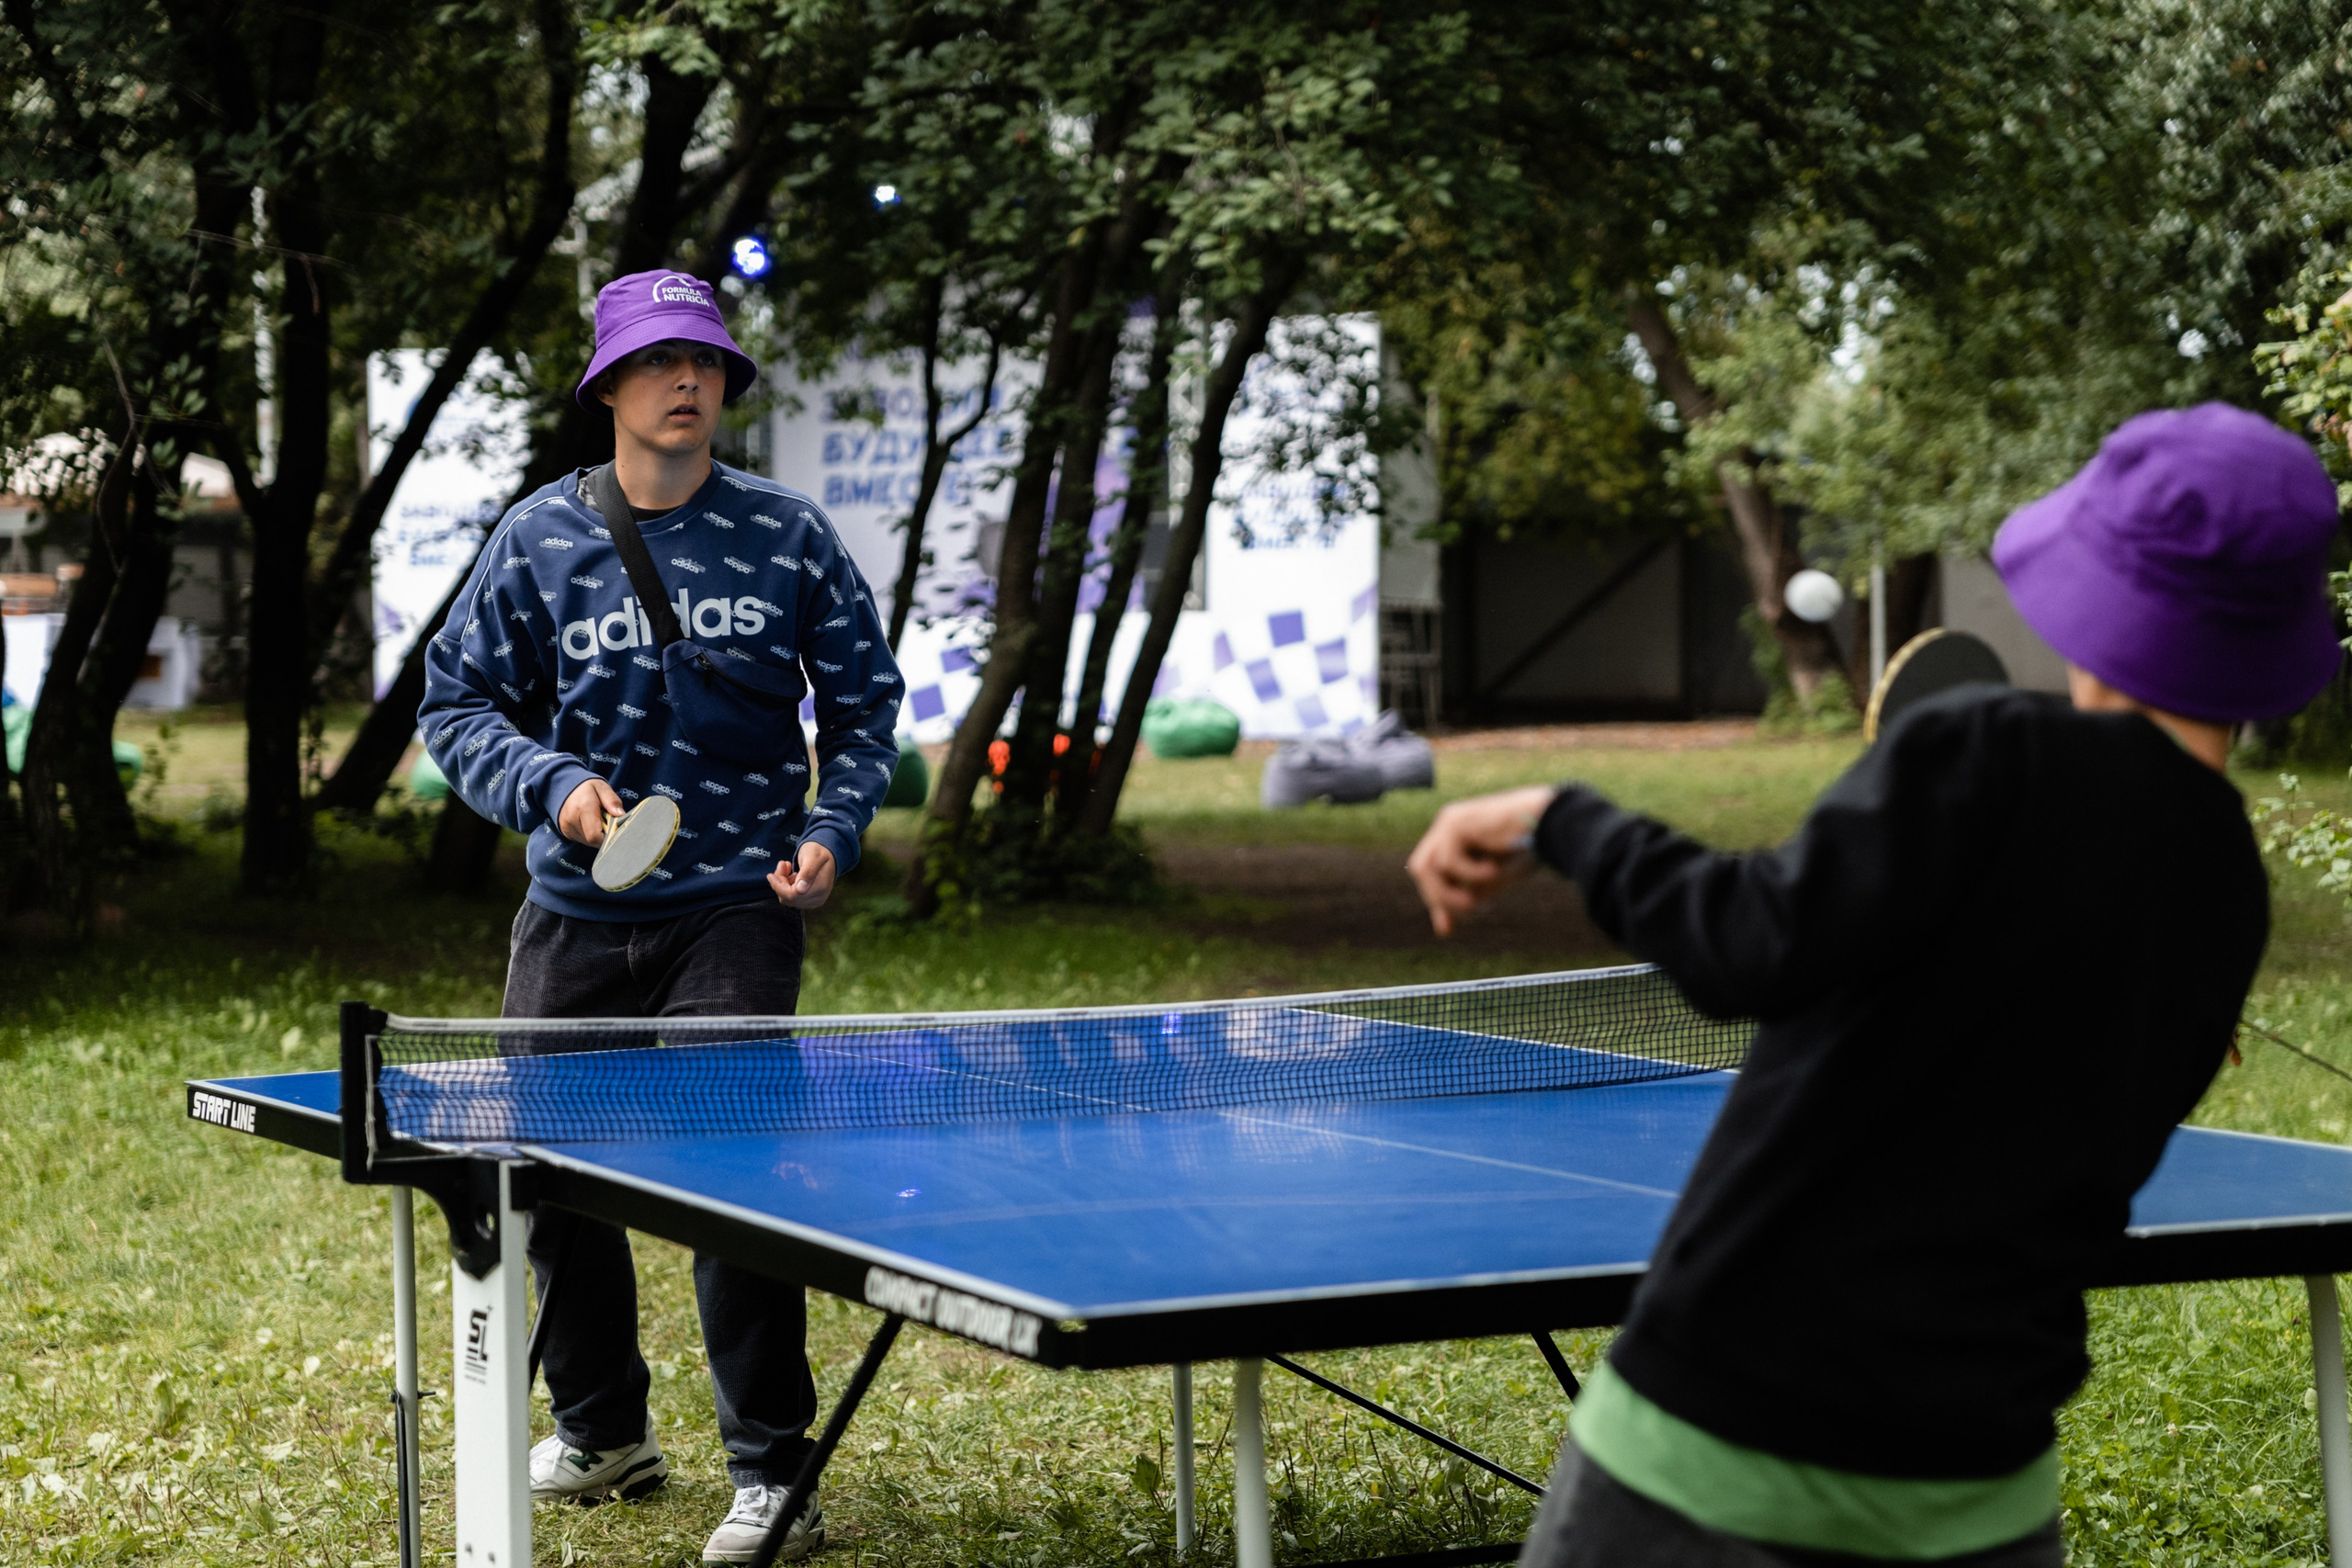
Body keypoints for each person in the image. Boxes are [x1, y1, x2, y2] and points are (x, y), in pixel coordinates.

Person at [1406, 401, 2340, 1567]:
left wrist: (1563, 818)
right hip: (1979, 1490)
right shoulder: (2229, 890)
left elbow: (1744, 944)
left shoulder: (1989, 750)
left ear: (2100, 596)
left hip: (1718, 1443)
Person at [419, 269, 901, 1563]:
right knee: (551, 1172)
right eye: (660, 359)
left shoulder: (790, 536)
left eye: (708, 361)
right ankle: (603, 1428)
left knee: (728, 1167)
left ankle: (771, 1470)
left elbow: (865, 711)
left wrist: (829, 827)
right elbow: (456, 704)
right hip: (572, 910)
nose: (689, 379)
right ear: (610, 386)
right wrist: (555, 784)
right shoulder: (538, 538)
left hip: (735, 908)